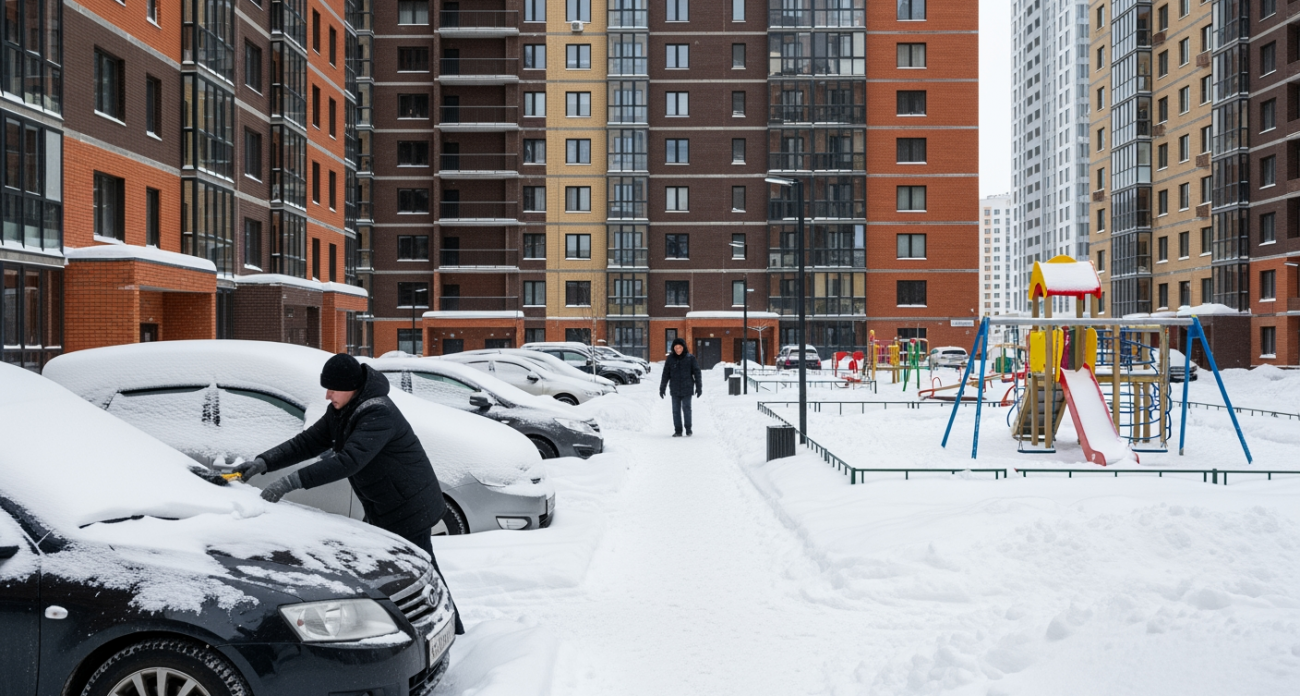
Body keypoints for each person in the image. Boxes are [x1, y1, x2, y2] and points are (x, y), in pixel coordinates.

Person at [224, 353, 464, 634]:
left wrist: (291, 482)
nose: (327, 395)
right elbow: (308, 442)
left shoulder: (378, 412)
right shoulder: (343, 410)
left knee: (420, 575)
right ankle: (419, 628)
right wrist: (264, 462)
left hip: (410, 506)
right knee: (395, 574)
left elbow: (349, 460)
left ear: (352, 387)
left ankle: (446, 629)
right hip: (383, 505)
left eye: (333, 389)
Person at [659, 337, 702, 436]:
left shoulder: (690, 358)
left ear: (683, 347)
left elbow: (697, 373)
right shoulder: (670, 359)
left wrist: (699, 387)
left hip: (687, 388)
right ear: (673, 348)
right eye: (676, 348)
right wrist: (662, 388)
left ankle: (688, 429)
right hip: (675, 388)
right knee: (675, 410)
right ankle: (678, 430)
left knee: (687, 408)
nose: (678, 350)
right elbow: (665, 374)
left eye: (680, 347)